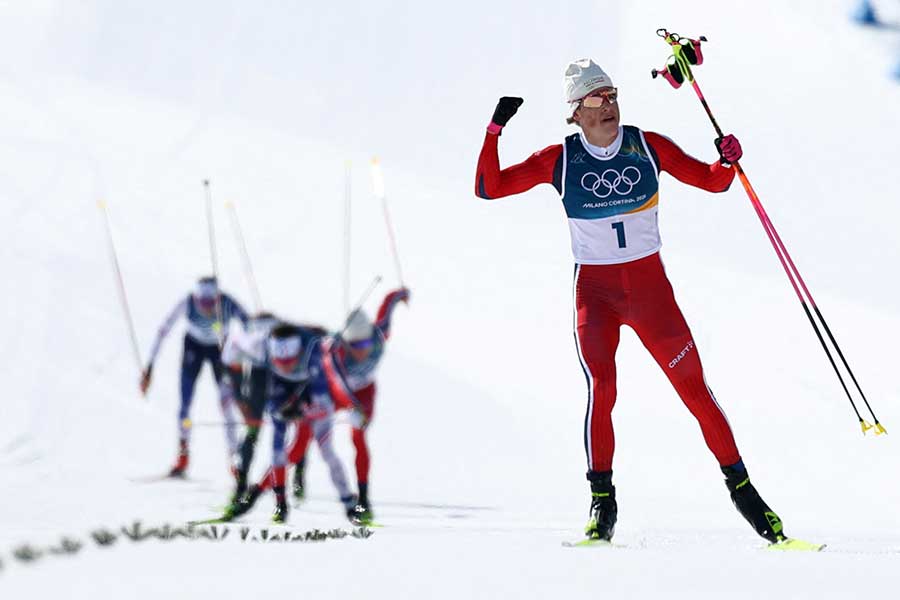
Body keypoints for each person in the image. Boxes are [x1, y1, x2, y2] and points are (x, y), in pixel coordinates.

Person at [474, 59, 785, 543]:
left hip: (649, 292)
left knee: (694, 390)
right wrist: (494, 129)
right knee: (603, 389)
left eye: (613, 94)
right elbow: (489, 189)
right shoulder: (559, 160)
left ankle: (748, 497)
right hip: (595, 296)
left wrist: (727, 159)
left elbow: (712, 180)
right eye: (596, 99)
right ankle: (603, 506)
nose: (609, 106)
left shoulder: (647, 146)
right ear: (575, 112)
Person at [291, 287, 410, 524]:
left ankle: (363, 498)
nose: (362, 350)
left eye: (365, 342)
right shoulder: (335, 354)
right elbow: (340, 387)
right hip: (337, 392)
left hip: (364, 392)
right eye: (354, 345)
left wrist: (401, 294)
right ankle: (299, 473)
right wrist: (353, 408)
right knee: (307, 427)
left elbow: (387, 306)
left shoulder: (379, 334)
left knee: (358, 438)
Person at [226, 322, 360, 524]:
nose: (286, 365)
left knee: (325, 451)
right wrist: (278, 411)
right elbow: (234, 343)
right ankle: (277, 504)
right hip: (284, 391)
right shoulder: (261, 345)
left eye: (290, 360)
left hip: (312, 394)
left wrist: (304, 410)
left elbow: (326, 397)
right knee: (278, 450)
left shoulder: (313, 353)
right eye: (280, 360)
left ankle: (350, 505)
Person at [140, 276, 249, 476]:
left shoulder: (227, 303)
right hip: (194, 348)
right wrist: (149, 367)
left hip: (220, 349)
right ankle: (183, 456)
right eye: (203, 303)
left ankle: (235, 459)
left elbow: (251, 327)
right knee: (185, 405)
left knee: (227, 405)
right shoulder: (188, 302)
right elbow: (164, 330)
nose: (206, 308)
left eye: (210, 303)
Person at [219, 311, 279, 494]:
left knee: (290, 426)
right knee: (253, 429)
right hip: (259, 377)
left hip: (281, 376)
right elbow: (232, 369)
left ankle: (297, 476)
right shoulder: (241, 342)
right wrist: (240, 399)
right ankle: (242, 479)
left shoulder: (247, 340)